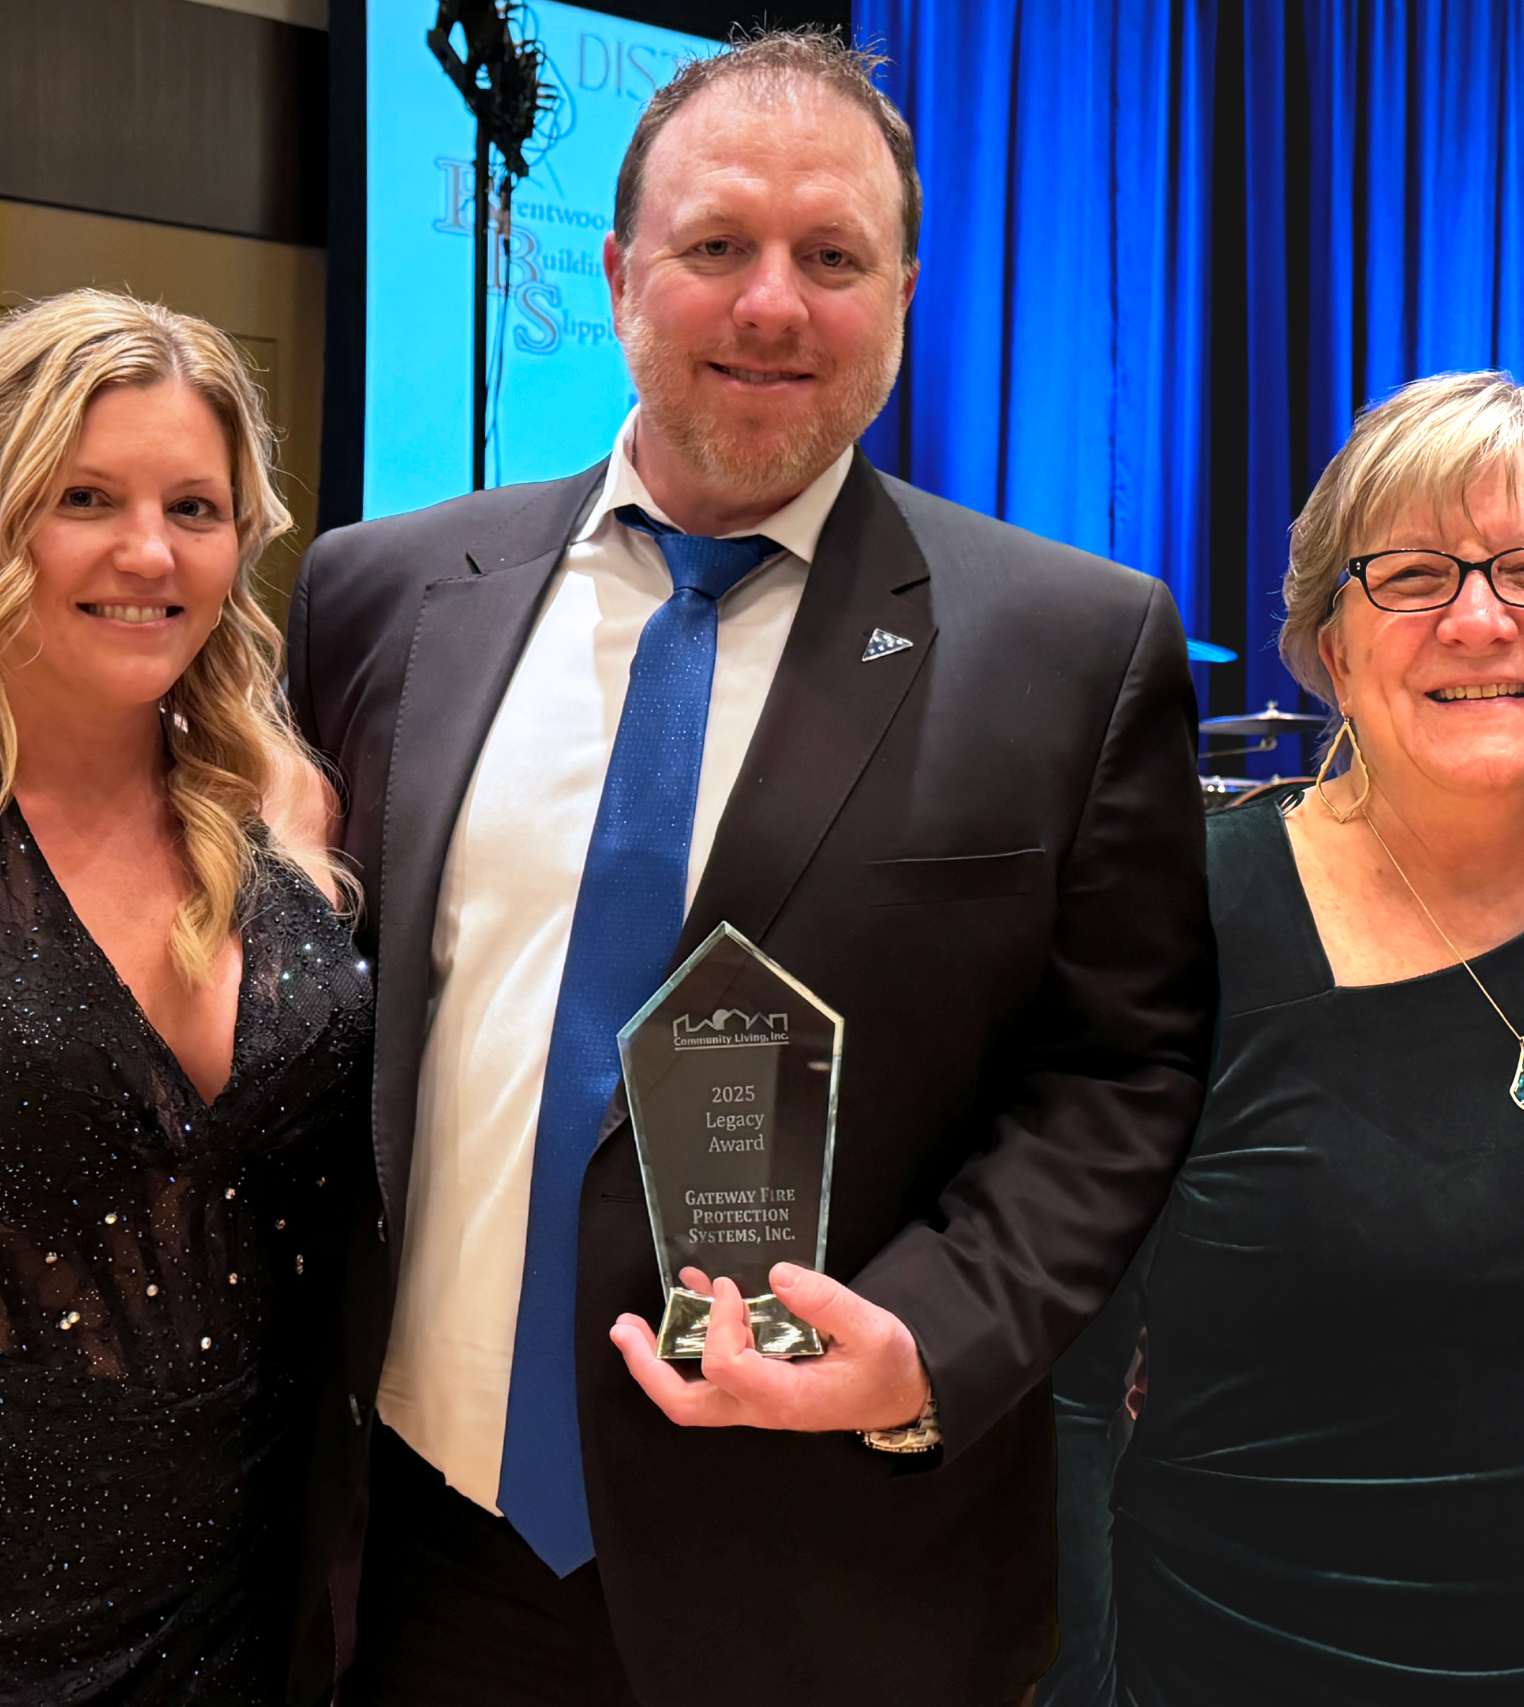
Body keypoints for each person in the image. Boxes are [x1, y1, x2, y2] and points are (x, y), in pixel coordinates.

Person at [281, 29, 1211, 1707]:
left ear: (903, 293)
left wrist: (928, 1337)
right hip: (423, 1561)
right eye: (716, 244)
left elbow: (1118, 1070)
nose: (772, 304)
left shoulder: (1074, 646)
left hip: (833, 1569)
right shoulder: (379, 597)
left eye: (832, 257)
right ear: (619, 275)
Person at [1048, 372, 1524, 1705]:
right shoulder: (1181, 912)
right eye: (1409, 576)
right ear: (1333, 650)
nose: (1477, 618)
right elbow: (1059, 1389)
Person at [0, 289, 367, 1702]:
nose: (149, 552)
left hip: (245, 1602)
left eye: (195, 508)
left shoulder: (286, 805)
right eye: (83, 498)